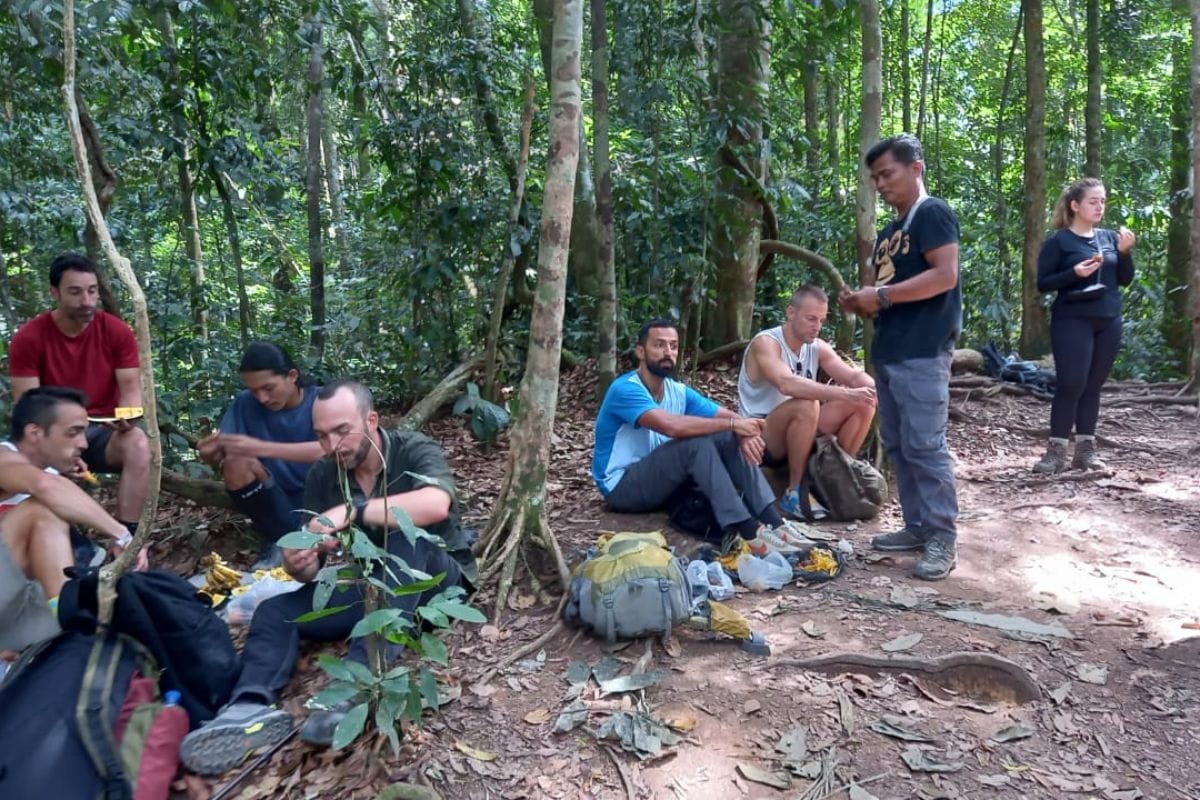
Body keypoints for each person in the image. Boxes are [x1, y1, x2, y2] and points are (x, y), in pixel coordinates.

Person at [180, 379, 476, 775]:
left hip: (438, 581)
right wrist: (300, 563)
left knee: (409, 540)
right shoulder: (325, 473)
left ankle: (351, 693)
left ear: (371, 420)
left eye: (342, 431)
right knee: (275, 610)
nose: (332, 445)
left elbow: (437, 505)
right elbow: (318, 561)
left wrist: (352, 511)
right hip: (374, 588)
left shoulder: (412, 449)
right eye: (321, 436)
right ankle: (246, 709)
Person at [838, 133, 961, 581]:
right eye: (874, 178)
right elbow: (887, 292)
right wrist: (862, 301)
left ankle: (942, 536)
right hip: (890, 352)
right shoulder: (891, 232)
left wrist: (882, 295)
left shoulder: (933, 213)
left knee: (926, 446)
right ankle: (917, 526)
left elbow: (945, 276)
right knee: (900, 446)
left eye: (887, 174)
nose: (880, 184)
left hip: (923, 350)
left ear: (916, 168)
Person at [593, 318, 813, 555]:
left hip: (661, 480)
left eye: (673, 346)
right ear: (641, 351)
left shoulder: (676, 390)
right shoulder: (625, 388)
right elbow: (672, 427)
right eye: (659, 345)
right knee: (696, 443)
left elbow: (725, 416)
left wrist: (743, 431)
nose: (668, 352)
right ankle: (749, 531)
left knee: (727, 435)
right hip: (622, 487)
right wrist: (733, 425)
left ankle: (774, 522)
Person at [8, 253, 151, 541]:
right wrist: (59, 451)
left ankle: (127, 537)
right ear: (54, 292)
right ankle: (68, 542)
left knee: (137, 443)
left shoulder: (115, 331)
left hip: (102, 429)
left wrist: (126, 418)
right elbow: (29, 406)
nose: (87, 300)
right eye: (75, 292)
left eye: (92, 291)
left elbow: (131, 390)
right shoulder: (30, 337)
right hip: (53, 433)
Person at [0, 387, 149, 658]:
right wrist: (124, 536)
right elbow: (45, 486)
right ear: (34, 433)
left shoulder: (47, 473)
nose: (84, 443)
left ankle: (68, 631)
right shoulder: (5, 459)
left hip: (18, 609)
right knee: (43, 511)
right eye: (73, 432)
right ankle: (71, 628)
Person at [738, 284, 877, 517]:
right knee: (807, 402)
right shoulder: (766, 342)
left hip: (802, 428)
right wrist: (845, 393)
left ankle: (835, 479)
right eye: (811, 319)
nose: (817, 327)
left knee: (864, 402)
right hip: (762, 436)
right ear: (791, 313)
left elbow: (852, 376)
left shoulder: (817, 346)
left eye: (821, 320)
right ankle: (794, 492)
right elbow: (787, 383)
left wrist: (872, 389)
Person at [1033, 178, 1136, 474]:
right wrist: (1074, 273)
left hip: (1109, 319)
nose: (1099, 206)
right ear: (1075, 205)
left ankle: (1086, 452)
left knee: (1093, 386)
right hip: (1072, 319)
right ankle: (1055, 452)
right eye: (1093, 201)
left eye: (1103, 201)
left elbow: (1125, 279)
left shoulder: (1108, 237)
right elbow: (1043, 283)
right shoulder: (1059, 241)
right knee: (1071, 383)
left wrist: (1125, 253)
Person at [197, 342, 323, 567]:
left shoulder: (322, 401)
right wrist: (209, 454)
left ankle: (300, 542)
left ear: (292, 376)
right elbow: (223, 456)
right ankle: (279, 539)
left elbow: (334, 448)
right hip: (274, 496)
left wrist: (261, 447)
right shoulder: (245, 403)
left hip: (321, 498)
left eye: (268, 388)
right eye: (254, 391)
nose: (262, 398)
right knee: (236, 462)